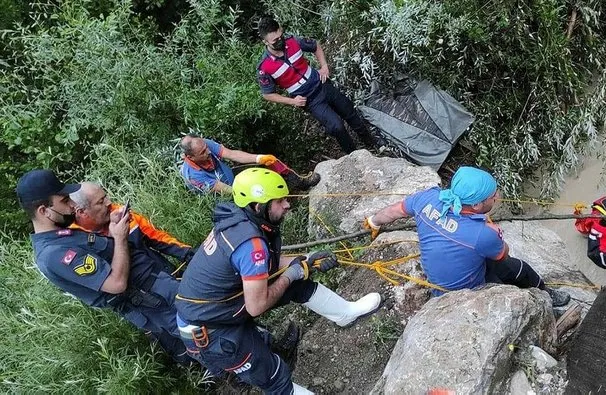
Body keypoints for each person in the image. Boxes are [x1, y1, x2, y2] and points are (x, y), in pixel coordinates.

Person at [174, 168, 382, 394]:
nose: (287, 205)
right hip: (211, 332)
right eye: (279, 201)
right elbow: (256, 305)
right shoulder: (250, 244)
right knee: (275, 379)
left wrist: (307, 261)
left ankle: (345, 313)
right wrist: (291, 274)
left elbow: (263, 265)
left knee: (296, 284)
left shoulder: (239, 219)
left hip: (217, 309)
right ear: (258, 206)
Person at [18, 169, 195, 365]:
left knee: (204, 323)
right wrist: (119, 238)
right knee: (203, 334)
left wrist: (110, 231)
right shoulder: (54, 254)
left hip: (156, 287)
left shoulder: (64, 235)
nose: (72, 206)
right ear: (44, 211)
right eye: (65, 201)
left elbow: (105, 254)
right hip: (148, 298)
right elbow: (116, 283)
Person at [362, 166, 571, 307]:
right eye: (493, 195)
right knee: (517, 270)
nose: (498, 197)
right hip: (467, 292)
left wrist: (373, 221)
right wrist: (494, 233)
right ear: (478, 205)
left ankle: (541, 295)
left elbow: (395, 211)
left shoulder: (427, 198)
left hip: (439, 285)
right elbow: (503, 254)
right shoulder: (481, 235)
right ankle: (544, 299)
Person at [256, 17, 375, 154]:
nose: (280, 41)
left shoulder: (293, 41)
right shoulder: (264, 67)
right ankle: (354, 155)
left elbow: (315, 45)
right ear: (265, 42)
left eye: (280, 36)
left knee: (349, 110)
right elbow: (267, 94)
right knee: (336, 126)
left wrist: (324, 66)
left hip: (322, 84)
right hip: (310, 100)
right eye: (275, 41)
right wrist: (292, 101)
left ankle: (371, 143)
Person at [70, 182, 194, 275]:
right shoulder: (76, 242)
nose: (109, 202)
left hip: (165, 273)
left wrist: (188, 254)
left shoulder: (118, 213)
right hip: (142, 297)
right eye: (101, 201)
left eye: (105, 197)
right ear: (82, 212)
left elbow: (156, 237)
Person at [179, 135, 320, 194]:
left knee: (270, 162)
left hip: (232, 177)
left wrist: (259, 158)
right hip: (226, 195)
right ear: (190, 156)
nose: (209, 151)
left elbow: (232, 154)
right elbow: (223, 189)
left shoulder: (202, 144)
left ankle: (300, 182)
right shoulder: (193, 176)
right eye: (203, 152)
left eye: (206, 148)